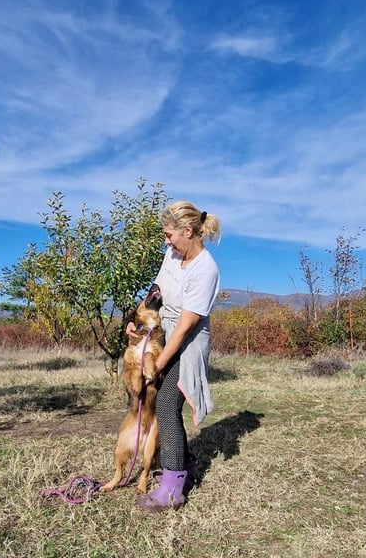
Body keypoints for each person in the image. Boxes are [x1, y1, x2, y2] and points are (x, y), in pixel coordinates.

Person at [127, 200, 221, 512]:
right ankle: (182, 459)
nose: (166, 241)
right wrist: (137, 323)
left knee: (167, 403)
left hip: (187, 343)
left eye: (169, 235)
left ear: (189, 231)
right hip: (162, 333)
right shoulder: (173, 253)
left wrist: (158, 364)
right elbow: (155, 291)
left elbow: (183, 329)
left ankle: (172, 489)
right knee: (157, 402)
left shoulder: (206, 269)